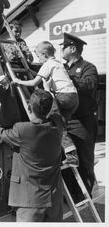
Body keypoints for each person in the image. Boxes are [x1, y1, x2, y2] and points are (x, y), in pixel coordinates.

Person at [0, 89, 63, 222]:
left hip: (30, 202)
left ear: (29, 107)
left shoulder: (22, 130)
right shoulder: (58, 127)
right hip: (53, 200)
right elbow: (55, 113)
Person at [60, 32, 99, 201]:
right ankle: (69, 194)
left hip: (82, 121)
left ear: (73, 48)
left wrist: (67, 78)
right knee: (66, 159)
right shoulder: (61, 67)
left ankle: (84, 196)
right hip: (64, 120)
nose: (61, 49)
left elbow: (89, 85)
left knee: (84, 159)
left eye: (64, 46)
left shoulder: (88, 67)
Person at [14, 41, 79, 123]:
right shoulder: (58, 63)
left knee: (50, 117)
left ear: (44, 54)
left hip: (63, 96)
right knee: (62, 123)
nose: (38, 59)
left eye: (39, 56)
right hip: (74, 96)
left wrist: (19, 81)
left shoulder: (47, 64)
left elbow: (34, 83)